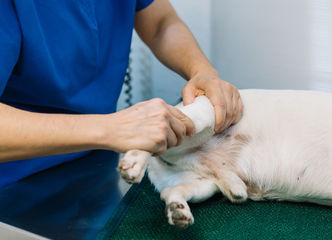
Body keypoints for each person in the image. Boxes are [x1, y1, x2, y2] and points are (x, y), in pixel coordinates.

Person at [0, 0, 243, 188]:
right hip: (12, 182)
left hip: (91, 164)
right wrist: (111, 128)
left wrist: (201, 71)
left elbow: (161, 23)